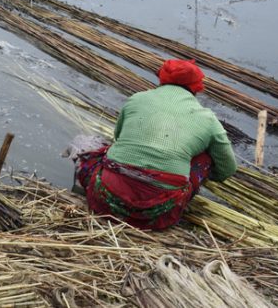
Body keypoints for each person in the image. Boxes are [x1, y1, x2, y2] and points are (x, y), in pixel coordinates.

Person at [73, 59, 237, 230]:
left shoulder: (136, 99)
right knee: (205, 158)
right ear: (197, 87)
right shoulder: (208, 119)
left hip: (104, 198)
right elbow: (228, 168)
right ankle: (175, 194)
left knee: (107, 151)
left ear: (161, 78)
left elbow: (118, 137)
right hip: (158, 213)